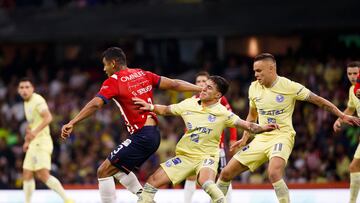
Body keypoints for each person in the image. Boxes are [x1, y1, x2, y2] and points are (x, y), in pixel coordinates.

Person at [60, 47, 202, 203]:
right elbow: (174, 84)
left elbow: (95, 104)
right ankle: (146, 199)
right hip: (151, 134)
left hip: (143, 135)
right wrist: (200, 89)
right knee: (118, 170)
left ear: (113, 63)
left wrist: (73, 121)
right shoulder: (142, 73)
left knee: (103, 171)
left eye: (105, 64)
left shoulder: (114, 81)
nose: (104, 69)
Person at [215, 53, 360, 203]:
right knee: (225, 173)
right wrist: (245, 138)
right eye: (254, 71)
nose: (256, 74)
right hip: (261, 138)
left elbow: (318, 100)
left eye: (259, 71)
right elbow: (252, 115)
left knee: (273, 172)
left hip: (282, 136)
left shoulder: (289, 86)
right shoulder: (253, 87)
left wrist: (342, 115)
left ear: (271, 68)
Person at [133, 75, 279, 203]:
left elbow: (247, 125)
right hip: (185, 157)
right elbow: (166, 110)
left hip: (207, 157)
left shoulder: (223, 112)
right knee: (151, 183)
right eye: (203, 86)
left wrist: (263, 128)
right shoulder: (189, 103)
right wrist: (150, 107)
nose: (203, 89)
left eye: (208, 88)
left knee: (205, 181)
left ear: (218, 95)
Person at [184, 71, 237, 203]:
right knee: (190, 176)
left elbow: (232, 120)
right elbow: (188, 126)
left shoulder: (220, 99)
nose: (201, 84)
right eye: (198, 82)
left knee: (223, 176)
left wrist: (233, 139)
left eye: (204, 82)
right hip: (195, 147)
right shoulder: (193, 101)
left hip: (215, 148)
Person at [18, 78, 73, 203]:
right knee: (27, 173)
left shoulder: (37, 100)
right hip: (34, 143)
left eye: (27, 87)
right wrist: (27, 141)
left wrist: (34, 133)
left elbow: (48, 117)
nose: (24, 90)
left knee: (42, 174)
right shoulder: (27, 103)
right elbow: (31, 124)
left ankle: (67, 199)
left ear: (32, 89)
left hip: (42, 141)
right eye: (21, 87)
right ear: (18, 90)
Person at [333, 61, 360, 203]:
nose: (353, 76)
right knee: (354, 166)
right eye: (350, 73)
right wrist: (339, 120)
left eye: (356, 73)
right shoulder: (352, 90)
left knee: (354, 166)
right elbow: (350, 109)